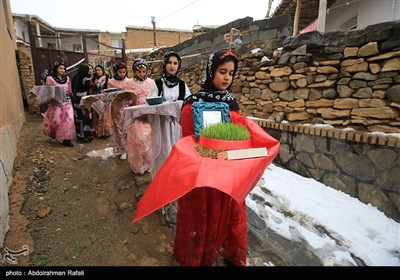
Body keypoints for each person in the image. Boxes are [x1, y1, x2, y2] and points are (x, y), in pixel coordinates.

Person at [175, 50, 246, 266]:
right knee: (202, 217)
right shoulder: (193, 103)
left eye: (231, 73)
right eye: (222, 71)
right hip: (202, 174)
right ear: (210, 71)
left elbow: (240, 133)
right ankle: (200, 255)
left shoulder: (231, 103)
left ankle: (228, 251)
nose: (227, 77)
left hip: (227, 172)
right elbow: (188, 138)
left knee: (229, 214)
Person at [126, 58, 158, 174]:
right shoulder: (129, 83)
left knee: (149, 140)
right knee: (139, 140)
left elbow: (154, 95)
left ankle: (149, 164)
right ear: (134, 71)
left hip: (149, 114)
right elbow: (127, 98)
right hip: (136, 115)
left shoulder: (151, 82)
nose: (141, 74)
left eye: (144, 71)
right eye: (139, 71)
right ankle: (139, 165)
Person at [42, 60, 75, 147]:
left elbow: (69, 90)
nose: (62, 70)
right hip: (56, 103)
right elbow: (48, 91)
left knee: (69, 119)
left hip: (67, 101)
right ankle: (53, 132)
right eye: (60, 68)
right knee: (56, 121)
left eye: (64, 68)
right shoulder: (50, 78)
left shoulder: (67, 79)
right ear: (56, 69)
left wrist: (69, 96)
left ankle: (66, 139)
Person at [107, 61, 135, 160]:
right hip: (116, 108)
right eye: (120, 72)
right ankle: (121, 149)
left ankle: (129, 149)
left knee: (127, 128)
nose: (122, 74)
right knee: (118, 129)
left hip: (127, 107)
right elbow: (109, 95)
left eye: (124, 72)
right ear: (116, 72)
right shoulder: (111, 82)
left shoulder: (129, 81)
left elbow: (132, 93)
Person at [71, 63, 94, 143]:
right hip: (84, 100)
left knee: (78, 118)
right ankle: (87, 135)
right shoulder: (85, 78)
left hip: (76, 99)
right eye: (88, 69)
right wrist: (99, 82)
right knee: (85, 117)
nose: (89, 71)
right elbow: (93, 86)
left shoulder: (75, 77)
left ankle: (80, 135)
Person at [90, 64, 111, 138]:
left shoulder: (106, 78)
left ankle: (105, 131)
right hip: (96, 98)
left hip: (104, 98)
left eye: (99, 70)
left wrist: (99, 81)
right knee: (96, 114)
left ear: (102, 71)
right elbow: (94, 88)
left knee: (104, 115)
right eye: (96, 70)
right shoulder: (93, 79)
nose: (97, 72)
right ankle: (97, 131)